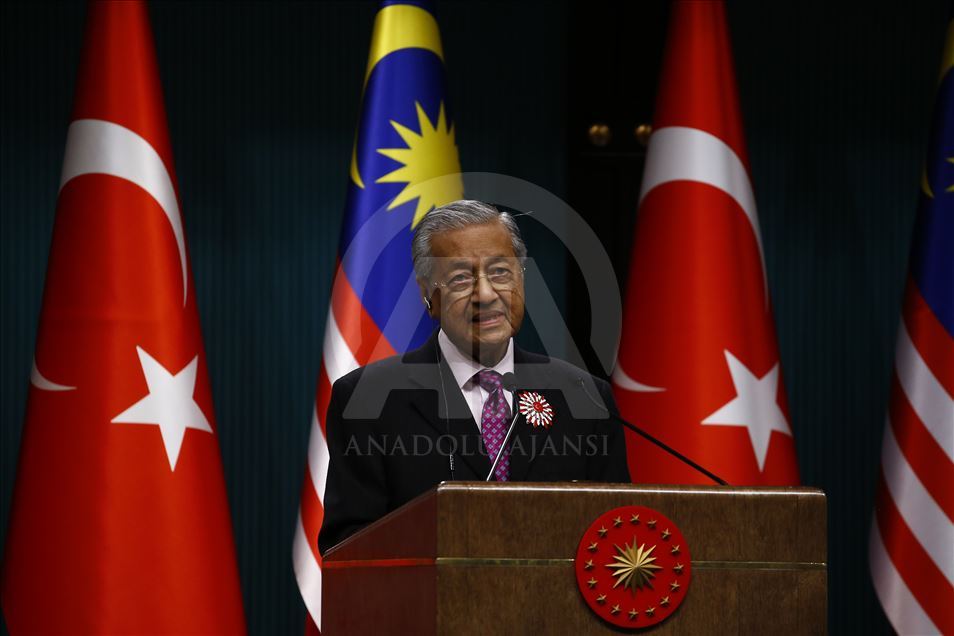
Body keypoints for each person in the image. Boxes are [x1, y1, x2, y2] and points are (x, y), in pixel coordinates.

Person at [318, 200, 630, 553]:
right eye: (460, 279)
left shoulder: (585, 396)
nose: (485, 294)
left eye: (500, 272)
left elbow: (616, 536)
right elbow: (348, 550)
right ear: (428, 295)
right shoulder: (369, 399)